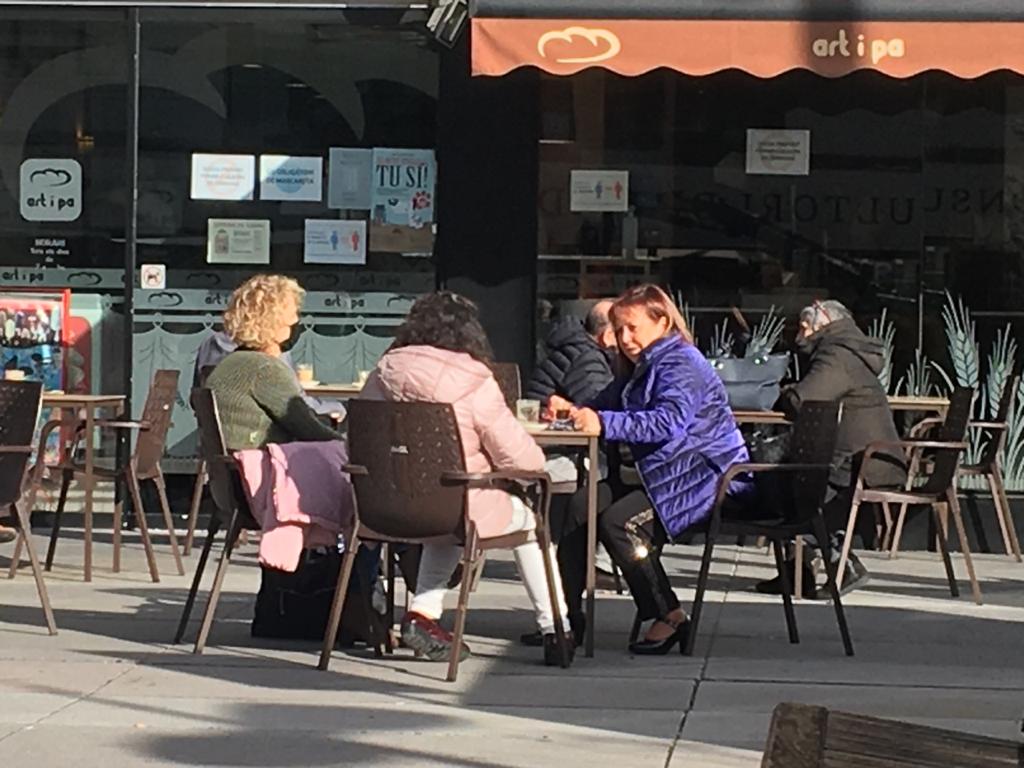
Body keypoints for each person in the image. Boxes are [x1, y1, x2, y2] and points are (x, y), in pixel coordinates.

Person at [359, 291, 572, 666]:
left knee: (446, 522)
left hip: (385, 506)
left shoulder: (382, 371)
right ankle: (556, 626)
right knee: (531, 524)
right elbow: (519, 458)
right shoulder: (473, 379)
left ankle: (422, 614)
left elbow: (358, 439)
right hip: (458, 501)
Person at [550, 284, 752, 654]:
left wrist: (603, 422)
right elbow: (605, 403)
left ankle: (668, 614)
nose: (624, 338)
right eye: (619, 329)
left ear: (662, 322)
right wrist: (573, 410)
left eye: (632, 328)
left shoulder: (682, 362)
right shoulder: (642, 364)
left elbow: (667, 423)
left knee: (620, 521)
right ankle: (566, 617)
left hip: (702, 477)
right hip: (661, 475)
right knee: (580, 507)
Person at [758, 299, 906, 596]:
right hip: (864, 456)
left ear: (822, 324)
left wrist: (782, 390)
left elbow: (805, 399)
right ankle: (796, 573)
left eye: (804, 326)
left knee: (795, 484)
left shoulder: (837, 354)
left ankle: (842, 565)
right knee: (788, 478)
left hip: (861, 462)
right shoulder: (847, 350)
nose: (800, 334)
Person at [205, 274, 342, 451]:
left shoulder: (231, 363)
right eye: (293, 315)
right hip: (264, 468)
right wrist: (349, 446)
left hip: (236, 465)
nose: (296, 320)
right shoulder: (265, 369)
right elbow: (307, 429)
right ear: (272, 321)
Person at [526, 300, 616, 405]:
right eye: (623, 330)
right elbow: (599, 404)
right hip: (544, 417)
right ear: (608, 335)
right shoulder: (587, 358)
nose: (626, 338)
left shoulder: (578, 345)